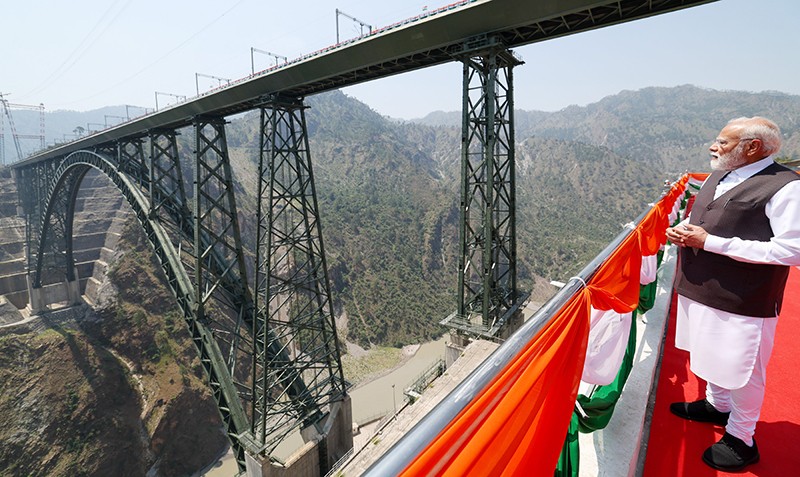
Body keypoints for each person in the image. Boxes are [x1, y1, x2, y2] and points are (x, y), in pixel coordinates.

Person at [665, 116, 800, 471]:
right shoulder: (721, 174)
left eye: (723, 142)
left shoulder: (785, 187)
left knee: (744, 369)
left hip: (744, 299)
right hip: (700, 288)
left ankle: (742, 436)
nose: (713, 146)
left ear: (752, 148)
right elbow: (710, 220)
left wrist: (711, 242)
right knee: (708, 352)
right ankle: (716, 404)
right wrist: (684, 232)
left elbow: (793, 250)